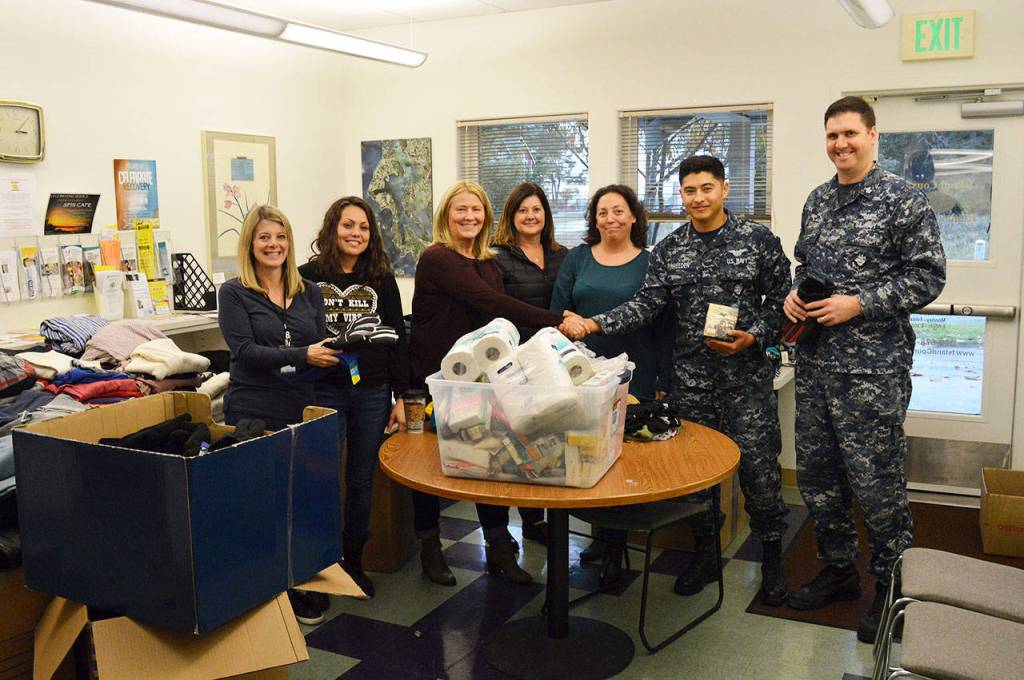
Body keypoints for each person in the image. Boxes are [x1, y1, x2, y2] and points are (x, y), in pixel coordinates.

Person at [564, 161, 791, 603]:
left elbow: (783, 298)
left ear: (725, 188)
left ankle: (773, 561)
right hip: (692, 381)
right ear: (681, 195)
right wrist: (594, 323)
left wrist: (755, 335)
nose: (698, 198)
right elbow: (646, 305)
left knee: (760, 473)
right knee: (697, 477)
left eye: (707, 188)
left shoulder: (757, 240)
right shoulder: (670, 249)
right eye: (689, 190)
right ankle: (706, 556)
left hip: (746, 382)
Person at [782, 96, 946, 642]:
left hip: (872, 371)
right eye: (832, 135)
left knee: (877, 485)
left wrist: (861, 303)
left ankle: (891, 588)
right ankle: (838, 571)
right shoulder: (817, 200)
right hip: (816, 364)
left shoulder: (903, 200)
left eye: (850, 133)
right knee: (819, 479)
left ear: (873, 135)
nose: (840, 144)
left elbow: (928, 277)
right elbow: (807, 266)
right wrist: (796, 294)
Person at [408, 180, 564, 586]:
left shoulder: (486, 261)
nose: (469, 216)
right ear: (446, 215)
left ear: (487, 216)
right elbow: (491, 303)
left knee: (487, 460)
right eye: (461, 209)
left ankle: (498, 547)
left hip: (479, 381)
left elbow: (496, 319)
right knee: (429, 470)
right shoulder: (437, 257)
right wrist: (558, 321)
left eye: (476, 210)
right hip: (436, 380)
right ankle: (430, 548)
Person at [218, 204, 342, 625]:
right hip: (253, 408)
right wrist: (302, 354)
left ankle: (299, 581)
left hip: (299, 407)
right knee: (260, 503)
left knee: (299, 501)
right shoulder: (234, 293)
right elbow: (245, 352)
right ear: (250, 244)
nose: (274, 244)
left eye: (280, 236)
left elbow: (318, 345)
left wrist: (338, 355)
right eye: (264, 237)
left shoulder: (310, 292)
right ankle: (268, 589)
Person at [550, 184, 671, 585]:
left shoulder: (651, 262)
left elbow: (662, 323)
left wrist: (663, 377)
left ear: (633, 216)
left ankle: (617, 544)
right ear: (594, 219)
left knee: (624, 460)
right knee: (588, 453)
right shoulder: (578, 258)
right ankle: (600, 537)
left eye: (618, 211)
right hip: (583, 375)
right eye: (602, 212)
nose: (610, 219)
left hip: (635, 375)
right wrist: (567, 324)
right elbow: (558, 311)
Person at [299, 196, 409, 599]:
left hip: (372, 390)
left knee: (361, 480)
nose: (356, 233)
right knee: (320, 479)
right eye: (348, 225)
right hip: (322, 388)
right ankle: (319, 567)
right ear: (332, 228)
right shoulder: (306, 276)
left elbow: (398, 338)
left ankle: (353, 564)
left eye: (363, 227)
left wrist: (402, 396)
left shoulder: (381, 277)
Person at [492, 182, 568, 546]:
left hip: (555, 360)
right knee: (519, 442)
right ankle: (526, 521)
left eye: (536, 209)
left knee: (554, 441)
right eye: (522, 210)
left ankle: (548, 518)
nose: (530, 216)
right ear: (511, 216)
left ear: (546, 215)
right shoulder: (497, 257)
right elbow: (498, 307)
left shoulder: (562, 255)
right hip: (515, 364)